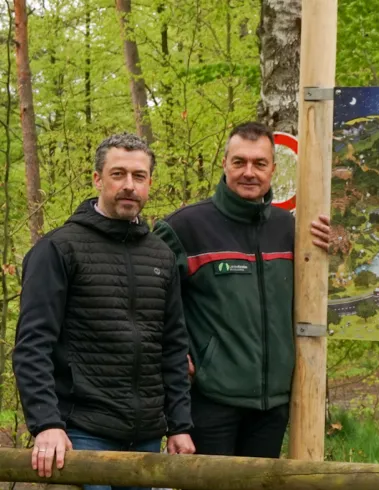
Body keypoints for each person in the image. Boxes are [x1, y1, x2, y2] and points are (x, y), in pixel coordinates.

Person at [12, 133, 195, 489]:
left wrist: (180, 425)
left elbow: (172, 346)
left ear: (149, 183)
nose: (129, 185)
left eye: (138, 176)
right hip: (81, 432)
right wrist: (46, 423)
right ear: (97, 179)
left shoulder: (161, 255)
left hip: (146, 437)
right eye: (118, 174)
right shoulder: (58, 249)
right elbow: (33, 345)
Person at [152, 122, 332, 458]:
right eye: (239, 162)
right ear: (225, 164)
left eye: (259, 164)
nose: (249, 172)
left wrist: (339, 244)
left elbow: (325, 292)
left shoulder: (290, 229)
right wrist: (176, 355)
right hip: (211, 400)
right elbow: (149, 303)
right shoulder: (184, 228)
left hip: (273, 404)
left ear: (273, 170)